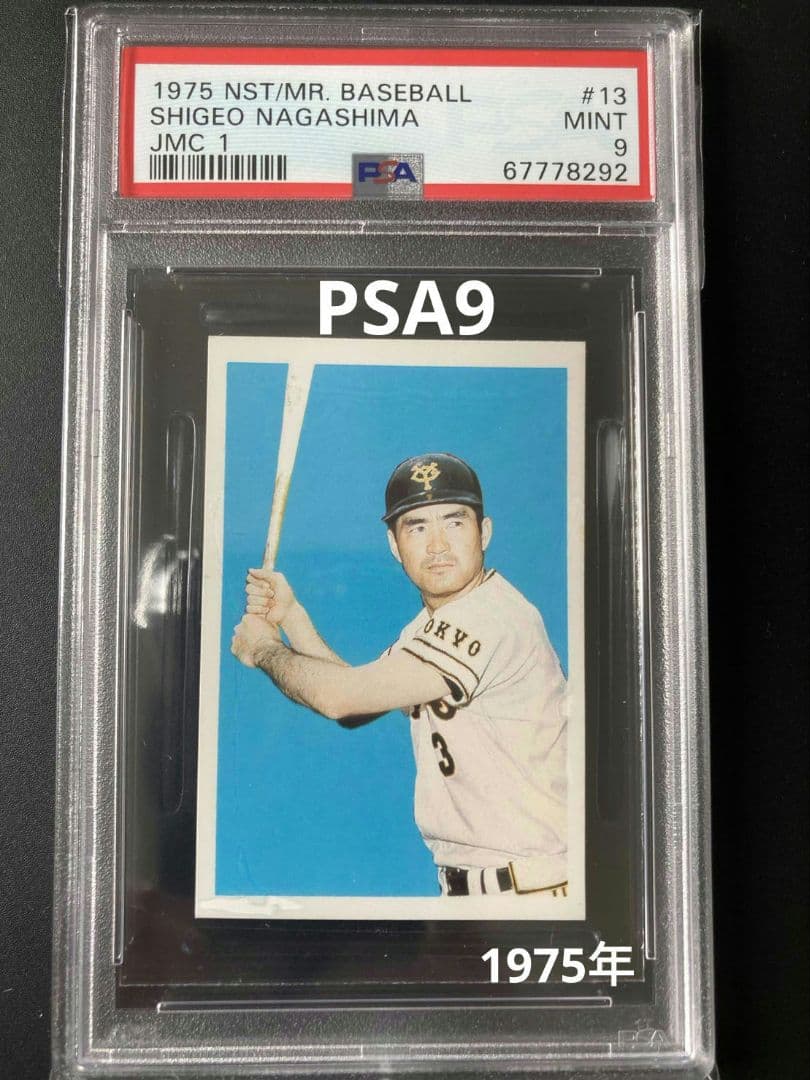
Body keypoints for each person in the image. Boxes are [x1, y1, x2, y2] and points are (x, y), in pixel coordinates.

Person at [231, 452, 568, 898]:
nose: (437, 545)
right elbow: (359, 703)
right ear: (394, 545)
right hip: (483, 893)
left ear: (484, 533)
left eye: (454, 522)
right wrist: (292, 617)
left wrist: (263, 649)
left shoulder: (491, 617)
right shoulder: (428, 627)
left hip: (532, 892)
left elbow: (341, 698)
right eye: (417, 527)